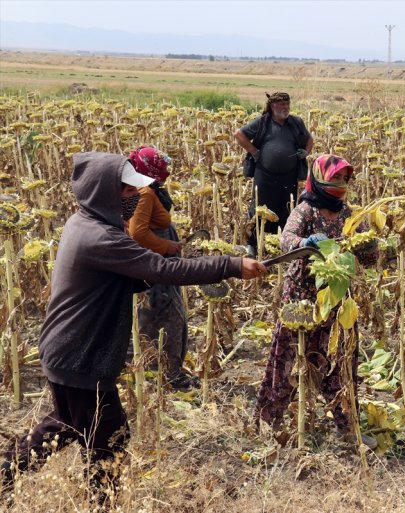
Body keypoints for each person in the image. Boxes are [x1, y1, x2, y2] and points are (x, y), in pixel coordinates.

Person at [1, 152, 266, 497]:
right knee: (110, 438)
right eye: (127, 193)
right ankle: (102, 500)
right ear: (105, 194)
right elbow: (162, 271)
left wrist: (146, 271)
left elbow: (122, 279)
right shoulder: (101, 238)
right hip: (79, 354)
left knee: (68, 424)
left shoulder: (82, 223)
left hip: (67, 348)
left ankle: (8, 475)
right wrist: (229, 265)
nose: (134, 199)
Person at [254, 154, 376, 447]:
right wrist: (305, 243)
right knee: (287, 360)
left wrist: (370, 245)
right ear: (319, 179)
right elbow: (286, 239)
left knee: (340, 362)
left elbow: (369, 259)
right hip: (302, 300)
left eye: (345, 179)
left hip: (337, 301)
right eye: (335, 178)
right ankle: (269, 423)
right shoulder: (305, 210)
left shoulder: (350, 216)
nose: (341, 184)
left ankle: (347, 426)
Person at [125, 146, 196, 390]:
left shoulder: (147, 189)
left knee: (157, 316)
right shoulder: (144, 192)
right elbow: (137, 232)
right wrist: (166, 246)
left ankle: (158, 369)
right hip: (155, 264)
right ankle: (167, 373)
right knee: (166, 315)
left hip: (158, 261)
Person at [234, 92, 314, 257]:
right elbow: (239, 134)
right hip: (265, 175)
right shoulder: (262, 122)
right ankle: (253, 245)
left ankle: (283, 243)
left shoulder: (295, 122)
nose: (285, 108)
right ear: (272, 107)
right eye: (281, 105)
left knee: (286, 208)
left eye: (287, 104)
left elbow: (309, 139)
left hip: (288, 175)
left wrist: (305, 152)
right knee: (260, 208)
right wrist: (254, 151)